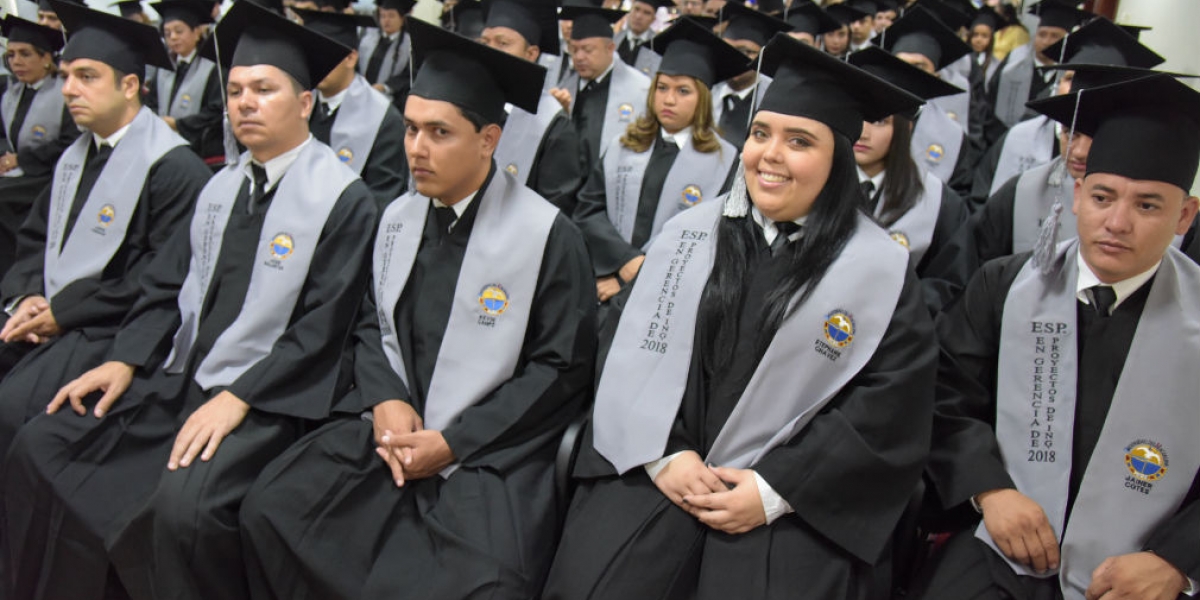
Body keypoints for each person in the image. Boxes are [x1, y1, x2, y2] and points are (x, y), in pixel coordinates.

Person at [2, 3, 378, 599]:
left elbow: (322, 329)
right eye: (234, 91)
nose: (244, 103)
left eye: (264, 89)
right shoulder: (221, 186)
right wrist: (124, 359)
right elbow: (166, 288)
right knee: (44, 443)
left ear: (305, 103)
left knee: (183, 511)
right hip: (182, 379)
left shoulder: (344, 199)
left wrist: (239, 397)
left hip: (272, 398)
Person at [542, 33, 936, 600]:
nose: (770, 155)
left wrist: (775, 490)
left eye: (799, 141)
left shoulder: (878, 273)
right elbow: (624, 347)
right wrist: (664, 455)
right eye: (760, 134)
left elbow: (887, 409)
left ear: (838, 160)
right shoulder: (687, 236)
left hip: (792, 506)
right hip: (662, 474)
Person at [239, 19, 596, 600]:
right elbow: (370, 325)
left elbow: (561, 371)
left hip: (489, 451)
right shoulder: (396, 218)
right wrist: (386, 397)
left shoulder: (548, 236)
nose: (416, 150)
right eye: (409, 129)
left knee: (474, 584)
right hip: (391, 432)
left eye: (439, 132)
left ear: (488, 140)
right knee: (271, 510)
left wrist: (455, 441)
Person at [913, 73, 1200, 600]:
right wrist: (989, 489)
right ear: (1076, 196)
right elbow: (945, 396)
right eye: (1103, 196)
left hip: (1141, 572)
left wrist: (1177, 562)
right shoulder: (1005, 285)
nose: (1117, 222)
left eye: (1148, 205)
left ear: (1185, 215)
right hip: (1002, 543)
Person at [0, 2, 209, 452]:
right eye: (65, 76)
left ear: (130, 85)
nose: (70, 90)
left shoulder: (175, 169)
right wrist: (27, 295)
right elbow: (36, 238)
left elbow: (160, 280)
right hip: (54, 313)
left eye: (87, 77)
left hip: (110, 327)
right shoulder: (76, 155)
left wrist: (63, 313)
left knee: (11, 412)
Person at [574, 18, 743, 304]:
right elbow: (588, 210)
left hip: (670, 295)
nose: (669, 99)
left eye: (683, 91)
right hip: (605, 285)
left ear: (702, 98)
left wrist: (632, 277)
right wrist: (624, 262)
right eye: (662, 88)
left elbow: (716, 239)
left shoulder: (725, 162)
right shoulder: (623, 146)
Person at [969, 17, 1166, 206]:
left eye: (1098, 85)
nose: (1077, 91)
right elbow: (983, 205)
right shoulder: (1020, 136)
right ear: (1057, 83)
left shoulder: (1139, 155)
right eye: (1069, 78)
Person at [847, 46, 969, 294]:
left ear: (906, 129)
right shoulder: (815, 185)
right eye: (858, 115)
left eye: (880, 121)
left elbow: (948, 286)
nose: (863, 131)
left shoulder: (941, 204)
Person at [479, 0, 587, 214]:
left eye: (502, 43)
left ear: (531, 54)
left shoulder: (554, 127)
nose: (490, 52)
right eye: (485, 42)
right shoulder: (466, 108)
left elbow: (553, 213)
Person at [297, 8, 408, 206]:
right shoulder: (297, 106)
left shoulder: (383, 118)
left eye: (324, 53)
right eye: (309, 53)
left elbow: (384, 196)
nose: (315, 63)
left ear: (351, 58)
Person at [0, 16, 77, 280]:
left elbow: (70, 143)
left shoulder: (65, 94)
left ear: (46, 58)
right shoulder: (9, 92)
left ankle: (14, 273)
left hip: (49, 173)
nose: (16, 62)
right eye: (11, 55)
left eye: (25, 54)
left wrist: (22, 159)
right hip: (19, 174)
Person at [875, 5, 977, 197]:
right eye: (900, 64)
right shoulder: (865, 120)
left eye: (919, 66)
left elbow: (960, 196)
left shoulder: (954, 137)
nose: (908, 73)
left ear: (936, 77)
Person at [552, 4, 651, 171]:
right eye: (574, 49)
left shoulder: (640, 89)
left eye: (587, 50)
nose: (579, 57)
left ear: (610, 48)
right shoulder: (564, 83)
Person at [987, 0, 1089, 131]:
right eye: (1042, 34)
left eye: (1055, 36)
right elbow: (990, 102)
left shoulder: (1072, 73)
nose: (1047, 41)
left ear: (1067, 40)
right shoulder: (1014, 61)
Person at [147, 0, 226, 164]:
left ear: (196, 33)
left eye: (179, 31)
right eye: (167, 33)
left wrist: (179, 125)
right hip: (163, 145)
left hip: (201, 150)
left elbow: (216, 111)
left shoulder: (213, 67)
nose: (173, 37)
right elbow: (152, 102)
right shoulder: (163, 67)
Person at [710, 2, 790, 151]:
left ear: (762, 56)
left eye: (747, 52)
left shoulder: (775, 99)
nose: (735, 58)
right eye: (728, 49)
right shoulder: (707, 89)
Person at [359, 0, 417, 109]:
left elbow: (408, 75)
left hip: (392, 101)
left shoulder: (410, 44)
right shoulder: (368, 39)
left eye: (391, 16)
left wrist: (385, 87)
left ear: (402, 19)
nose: (386, 20)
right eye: (383, 16)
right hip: (363, 93)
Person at [615, 0, 673, 76]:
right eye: (636, 9)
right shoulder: (614, 39)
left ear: (653, 19)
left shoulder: (658, 46)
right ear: (629, 12)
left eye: (646, 13)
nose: (639, 16)